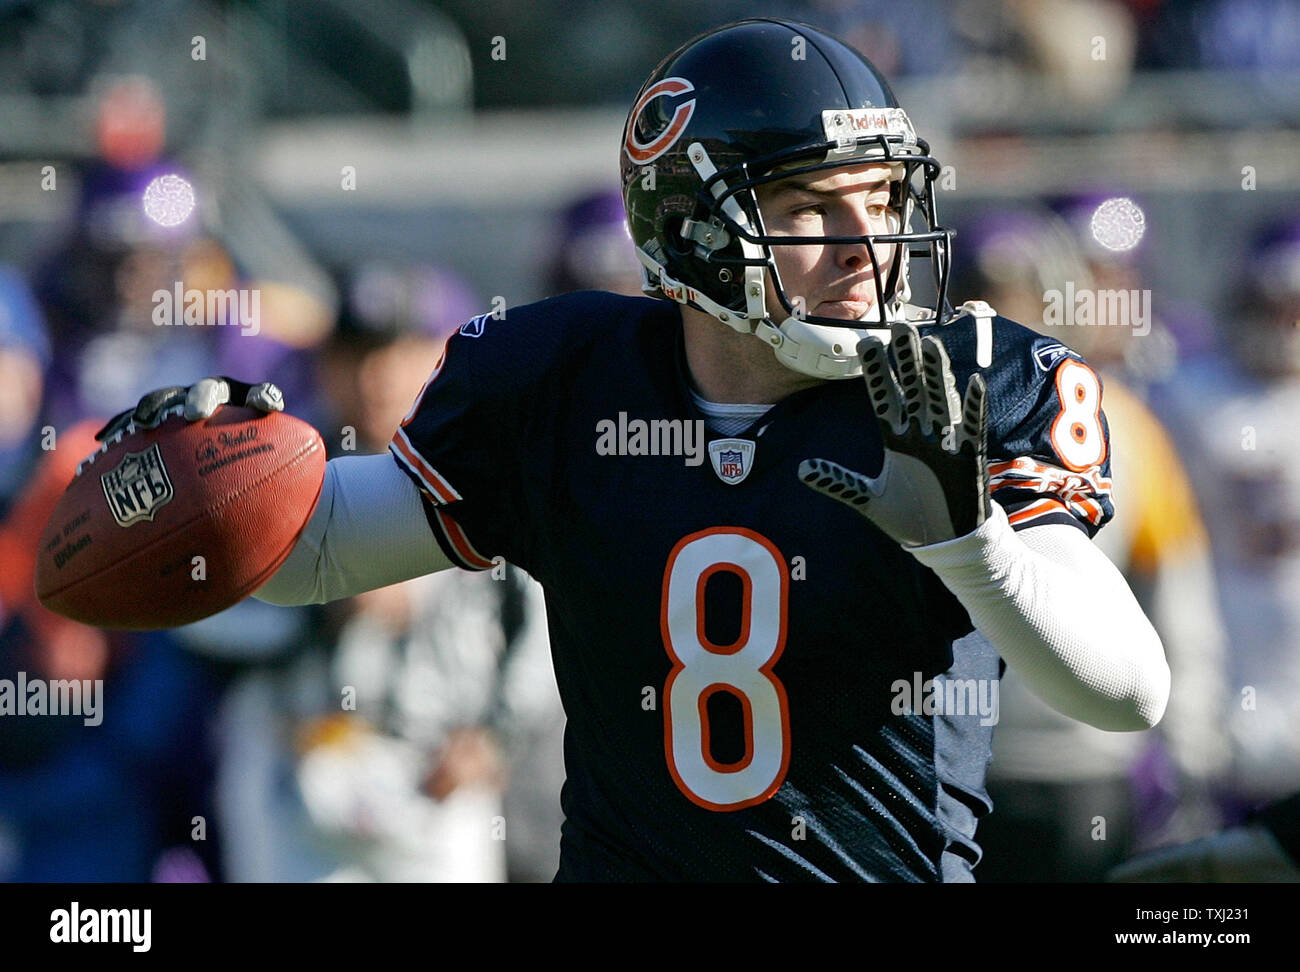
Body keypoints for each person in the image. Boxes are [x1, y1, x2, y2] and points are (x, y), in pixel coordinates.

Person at [99, 19, 1169, 882]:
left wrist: (969, 546)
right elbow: (320, 547)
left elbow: (1126, 692)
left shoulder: (965, 384)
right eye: (810, 208)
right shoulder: (560, 379)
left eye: (883, 203)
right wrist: (201, 476)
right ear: (693, 229)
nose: (867, 249)